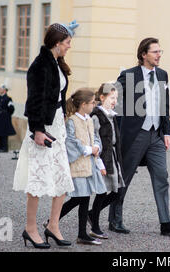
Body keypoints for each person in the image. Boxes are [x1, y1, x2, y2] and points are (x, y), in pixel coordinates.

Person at [109, 37, 170, 236]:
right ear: (144, 54)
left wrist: (167, 131)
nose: (159, 55)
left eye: (160, 51)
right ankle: (115, 219)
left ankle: (166, 222)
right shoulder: (127, 76)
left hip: (156, 135)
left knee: (162, 176)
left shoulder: (162, 74)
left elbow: (164, 104)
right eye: (155, 52)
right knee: (124, 178)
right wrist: (116, 132)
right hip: (135, 135)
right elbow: (113, 103)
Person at [12, 21, 79, 249]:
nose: (70, 46)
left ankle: (53, 226)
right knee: (39, 179)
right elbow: (34, 101)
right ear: (57, 43)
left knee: (61, 177)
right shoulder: (40, 65)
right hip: (43, 129)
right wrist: (37, 130)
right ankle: (30, 229)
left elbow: (57, 98)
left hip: (58, 126)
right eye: (68, 42)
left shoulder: (57, 64)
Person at [57, 88, 107, 245]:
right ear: (84, 104)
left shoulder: (90, 120)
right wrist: (87, 150)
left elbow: (96, 137)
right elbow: (70, 142)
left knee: (83, 198)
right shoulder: (71, 121)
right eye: (93, 102)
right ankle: (77, 232)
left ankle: (81, 234)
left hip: (89, 165)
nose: (94, 105)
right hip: (78, 166)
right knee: (81, 198)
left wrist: (97, 147)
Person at [88, 83, 126, 239]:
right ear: (102, 97)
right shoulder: (97, 116)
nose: (114, 101)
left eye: (116, 98)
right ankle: (95, 225)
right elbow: (94, 138)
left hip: (113, 157)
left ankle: (92, 213)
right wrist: (99, 161)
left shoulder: (112, 115)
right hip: (102, 159)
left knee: (117, 191)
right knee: (102, 193)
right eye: (111, 98)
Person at [0, 84, 16, 152]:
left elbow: (12, 109)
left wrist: (7, 114)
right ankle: (0, 147)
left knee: (4, 133)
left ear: (4, 90)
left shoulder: (8, 99)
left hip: (5, 118)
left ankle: (4, 148)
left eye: (0, 88)